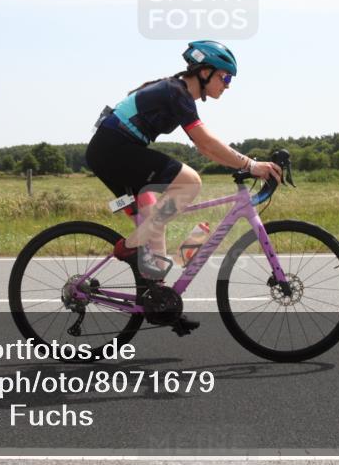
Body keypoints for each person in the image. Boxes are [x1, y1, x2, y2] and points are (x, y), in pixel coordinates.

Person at [85, 41, 282, 289]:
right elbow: (206, 141)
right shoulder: (175, 92)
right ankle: (128, 248)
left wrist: (241, 166)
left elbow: (204, 148)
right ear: (204, 72)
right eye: (225, 77)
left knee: (154, 223)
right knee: (190, 182)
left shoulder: (176, 92)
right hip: (114, 150)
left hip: (112, 151)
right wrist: (251, 165)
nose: (227, 85)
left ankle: (158, 297)